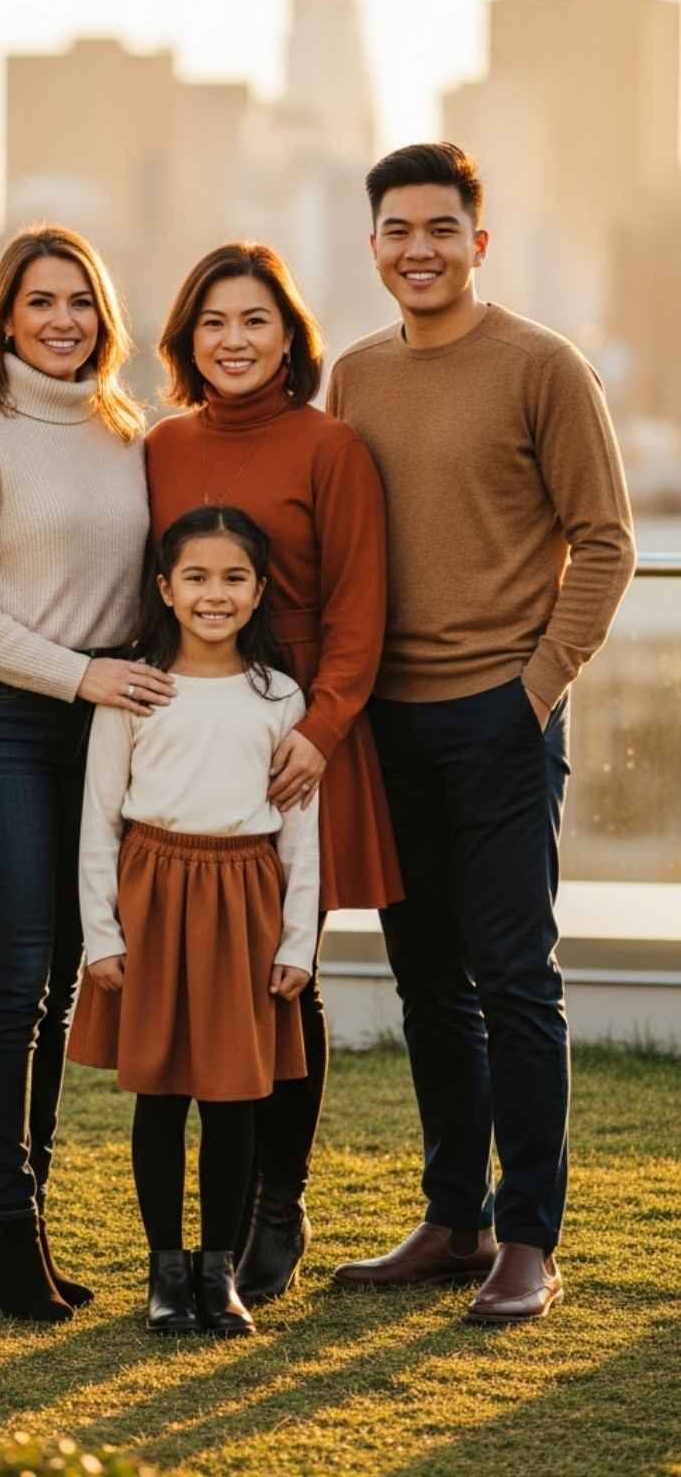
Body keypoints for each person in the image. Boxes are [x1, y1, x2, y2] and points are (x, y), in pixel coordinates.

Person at [327, 141, 636, 1324]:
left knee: (515, 980)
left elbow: (602, 540)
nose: (419, 249)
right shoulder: (354, 378)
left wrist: (536, 689)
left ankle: (528, 1239)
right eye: (398, 231)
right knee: (424, 985)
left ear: (477, 241)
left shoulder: (543, 367)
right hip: (384, 723)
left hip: (503, 717)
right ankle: (453, 1219)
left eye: (440, 229)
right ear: (373, 248)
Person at [0, 224, 167, 1324]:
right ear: (5, 319)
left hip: (100, 729)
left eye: (80, 301)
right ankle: (6, 1231)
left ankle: (37, 1220)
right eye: (39, 302)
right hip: (0, 725)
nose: (62, 320)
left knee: (64, 980)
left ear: (103, 318)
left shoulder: (127, 432)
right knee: (15, 977)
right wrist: (80, 678)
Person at [146, 242, 403, 1304]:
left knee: (284, 972)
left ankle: (277, 1201)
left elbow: (359, 607)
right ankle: (196, 1235)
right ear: (186, 338)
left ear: (289, 336)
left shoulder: (331, 446)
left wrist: (324, 730)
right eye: (213, 322)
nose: (234, 341)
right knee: (200, 971)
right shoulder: (158, 445)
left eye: (255, 321)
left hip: (304, 736)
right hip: (192, 729)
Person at [68, 505, 320, 1336]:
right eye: (198, 578)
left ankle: (222, 1274)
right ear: (166, 589)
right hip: (153, 894)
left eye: (234, 577)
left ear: (258, 590)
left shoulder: (279, 698)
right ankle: (165, 1275)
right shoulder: (135, 687)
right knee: (163, 1093)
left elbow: (301, 834)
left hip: (244, 900)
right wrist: (102, 934)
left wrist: (298, 942)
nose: (216, 594)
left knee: (233, 1096)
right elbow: (100, 817)